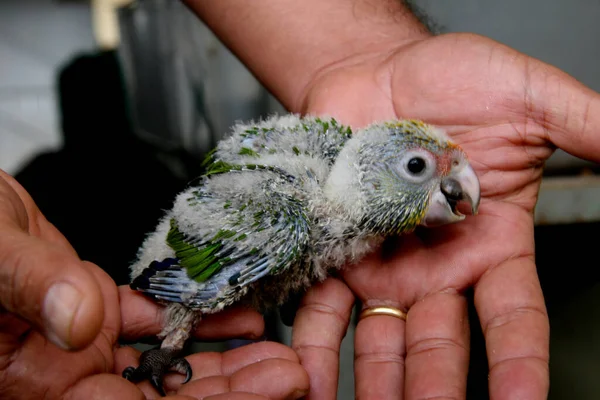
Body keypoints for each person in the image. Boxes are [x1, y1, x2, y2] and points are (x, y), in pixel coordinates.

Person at [1, 0, 599, 398]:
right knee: (233, 283)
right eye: (418, 167)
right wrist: (166, 343)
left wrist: (364, 57)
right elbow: (169, 269)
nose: (457, 181)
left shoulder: (347, 188)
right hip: (187, 265)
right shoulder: (282, 218)